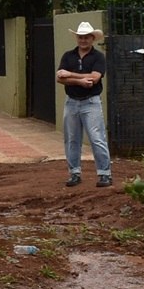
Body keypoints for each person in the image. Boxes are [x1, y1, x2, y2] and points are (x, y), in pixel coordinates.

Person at [56, 20, 111, 188]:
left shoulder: (98, 57)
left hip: (91, 102)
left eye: (86, 37)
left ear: (92, 38)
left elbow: (94, 78)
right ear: (77, 38)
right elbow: (59, 78)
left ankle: (104, 174)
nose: (83, 40)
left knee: (97, 138)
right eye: (81, 37)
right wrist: (80, 80)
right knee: (72, 139)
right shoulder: (68, 56)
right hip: (71, 102)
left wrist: (70, 76)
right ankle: (74, 173)